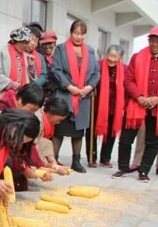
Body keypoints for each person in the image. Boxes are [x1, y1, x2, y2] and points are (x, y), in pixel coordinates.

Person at [113, 26, 158, 182]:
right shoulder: (137, 57)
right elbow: (128, 80)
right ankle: (123, 168)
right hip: (136, 105)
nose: (154, 44)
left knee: (153, 141)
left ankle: (144, 171)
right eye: (152, 40)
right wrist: (139, 97)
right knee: (126, 138)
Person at [50, 20, 100, 173]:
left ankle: (76, 161)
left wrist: (89, 87)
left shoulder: (91, 51)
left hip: (83, 96)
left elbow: (96, 73)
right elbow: (56, 70)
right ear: (71, 33)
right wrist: (69, 87)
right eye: (76, 33)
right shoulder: (60, 49)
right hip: (65, 94)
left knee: (78, 131)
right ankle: (53, 159)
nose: (79, 37)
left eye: (82, 34)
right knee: (59, 130)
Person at [85, 45, 125, 168]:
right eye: (110, 55)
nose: (112, 59)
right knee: (91, 131)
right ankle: (92, 157)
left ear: (120, 58)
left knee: (110, 132)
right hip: (97, 104)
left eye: (115, 57)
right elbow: (89, 79)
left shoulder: (124, 69)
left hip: (114, 106)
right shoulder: (98, 65)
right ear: (106, 54)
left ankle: (105, 158)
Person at [0, 27, 32, 98]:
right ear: (15, 41)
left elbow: (29, 78)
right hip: (3, 95)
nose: (26, 46)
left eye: (27, 43)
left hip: (20, 97)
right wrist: (10, 84)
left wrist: (31, 66)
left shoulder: (25, 55)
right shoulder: (1, 52)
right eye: (24, 43)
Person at [34, 96, 70, 174]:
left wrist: (55, 165)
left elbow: (44, 143)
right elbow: (35, 147)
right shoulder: (38, 122)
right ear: (49, 113)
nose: (58, 123)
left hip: (36, 144)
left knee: (47, 142)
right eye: (58, 120)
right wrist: (48, 167)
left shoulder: (44, 115)